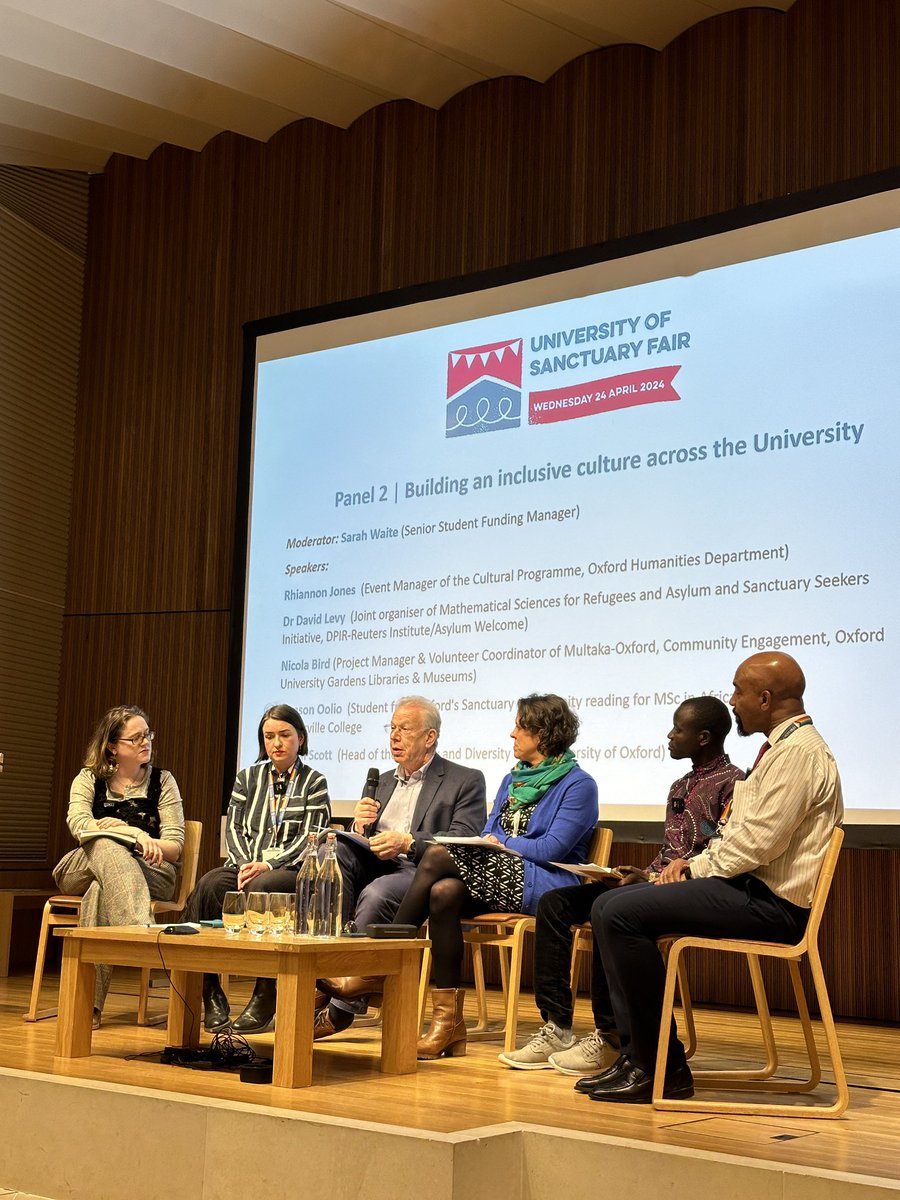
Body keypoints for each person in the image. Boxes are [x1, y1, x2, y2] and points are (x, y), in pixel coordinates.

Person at [583, 652, 843, 1104]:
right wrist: (679, 869)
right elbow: (741, 834)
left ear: (765, 698)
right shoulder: (781, 749)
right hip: (747, 889)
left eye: (739, 691)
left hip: (772, 905)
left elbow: (758, 843)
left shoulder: (800, 754)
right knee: (607, 905)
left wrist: (692, 868)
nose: (733, 700)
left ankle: (662, 1066)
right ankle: (639, 1055)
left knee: (622, 914)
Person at [500, 696, 742, 1074]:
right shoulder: (681, 785)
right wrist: (641, 873)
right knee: (555, 903)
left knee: (610, 910)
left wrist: (665, 876)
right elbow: (671, 850)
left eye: (678, 729)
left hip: (693, 889)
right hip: (657, 882)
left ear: (704, 737)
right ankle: (556, 1025)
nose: (669, 735)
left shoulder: (734, 784)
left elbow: (719, 849)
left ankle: (609, 1035)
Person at [388, 693, 599, 1060]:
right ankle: (448, 1023)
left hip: (548, 884)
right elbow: (487, 832)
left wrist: (500, 842)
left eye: (520, 726)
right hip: (502, 875)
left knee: (438, 854)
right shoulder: (511, 780)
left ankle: (383, 957)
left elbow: (551, 849)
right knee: (444, 892)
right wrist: (495, 841)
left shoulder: (578, 785)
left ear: (543, 733)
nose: (512, 733)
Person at [315, 695, 486, 1039]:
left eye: (404, 729)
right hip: (376, 860)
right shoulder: (385, 781)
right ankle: (321, 972)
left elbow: (463, 839)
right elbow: (366, 839)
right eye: (391, 728)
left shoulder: (464, 779)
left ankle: (340, 1006)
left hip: (417, 870)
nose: (394, 736)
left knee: (376, 895)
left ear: (429, 737)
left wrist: (409, 841)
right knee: (328, 851)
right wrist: (358, 828)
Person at [182, 703, 330, 1033]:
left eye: (284, 735)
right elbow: (233, 828)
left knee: (265, 887)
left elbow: (312, 838)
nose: (276, 743)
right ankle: (210, 991)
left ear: (301, 739)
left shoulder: (315, 782)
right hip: (245, 864)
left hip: (290, 870)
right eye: (269, 736)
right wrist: (245, 863)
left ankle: (265, 994)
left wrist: (267, 864)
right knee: (209, 884)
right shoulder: (247, 778)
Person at [53, 705, 185, 1025]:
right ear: (112, 746)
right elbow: (81, 826)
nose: (146, 742)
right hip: (79, 868)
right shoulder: (89, 779)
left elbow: (175, 846)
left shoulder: (163, 781)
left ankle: (88, 1008)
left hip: (152, 872)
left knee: (101, 887)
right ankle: (139, 932)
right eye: (136, 737)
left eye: (147, 735)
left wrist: (144, 843)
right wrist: (133, 833)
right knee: (103, 842)